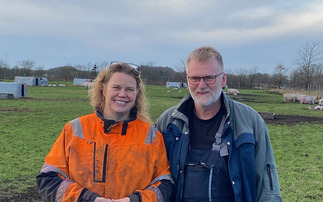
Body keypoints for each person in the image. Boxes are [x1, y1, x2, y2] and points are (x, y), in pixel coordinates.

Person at [155, 46, 282, 202]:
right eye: (195, 78)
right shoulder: (168, 122)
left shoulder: (250, 121)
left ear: (223, 80)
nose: (201, 85)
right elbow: (155, 178)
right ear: (187, 80)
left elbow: (266, 183)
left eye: (209, 77)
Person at [37, 63, 173, 202]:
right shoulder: (74, 129)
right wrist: (89, 199)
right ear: (103, 89)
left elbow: (164, 185)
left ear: (137, 93)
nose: (122, 94)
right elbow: (49, 178)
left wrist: (134, 200)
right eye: (116, 87)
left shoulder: (151, 136)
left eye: (129, 89)